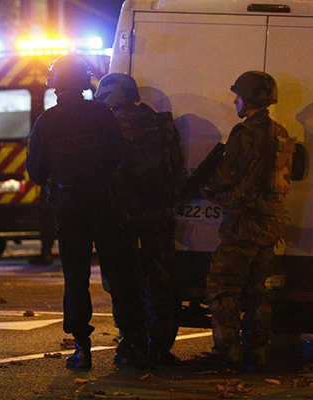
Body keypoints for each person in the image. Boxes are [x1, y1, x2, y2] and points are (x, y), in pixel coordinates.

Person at [26, 54, 149, 370]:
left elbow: (36, 172)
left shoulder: (46, 122)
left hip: (68, 207)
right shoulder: (102, 114)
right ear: (84, 81)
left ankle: (82, 348)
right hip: (105, 202)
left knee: (76, 278)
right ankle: (131, 344)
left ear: (54, 84)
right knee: (119, 273)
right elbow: (117, 156)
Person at [199, 71, 295, 371]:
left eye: (238, 97)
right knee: (257, 291)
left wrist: (204, 183)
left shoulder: (245, 133)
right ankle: (257, 351)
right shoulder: (279, 132)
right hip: (270, 223)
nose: (235, 102)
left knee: (222, 287)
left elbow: (225, 177)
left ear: (249, 101)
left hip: (244, 224)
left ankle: (226, 350)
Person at [95, 73, 185, 365]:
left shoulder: (109, 125)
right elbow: (176, 166)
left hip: (122, 214)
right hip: (158, 211)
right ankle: (161, 345)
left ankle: (131, 343)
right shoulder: (162, 124)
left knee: (124, 280)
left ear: (113, 97)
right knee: (163, 278)